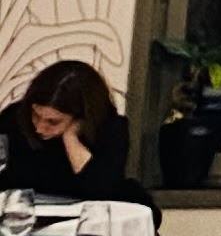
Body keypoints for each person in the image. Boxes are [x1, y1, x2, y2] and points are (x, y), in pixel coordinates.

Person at [2, 54, 137, 200]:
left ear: (80, 118)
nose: (39, 128)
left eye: (53, 122)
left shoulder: (110, 129)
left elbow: (102, 190)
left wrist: (71, 139)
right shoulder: (15, 118)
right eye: (35, 114)